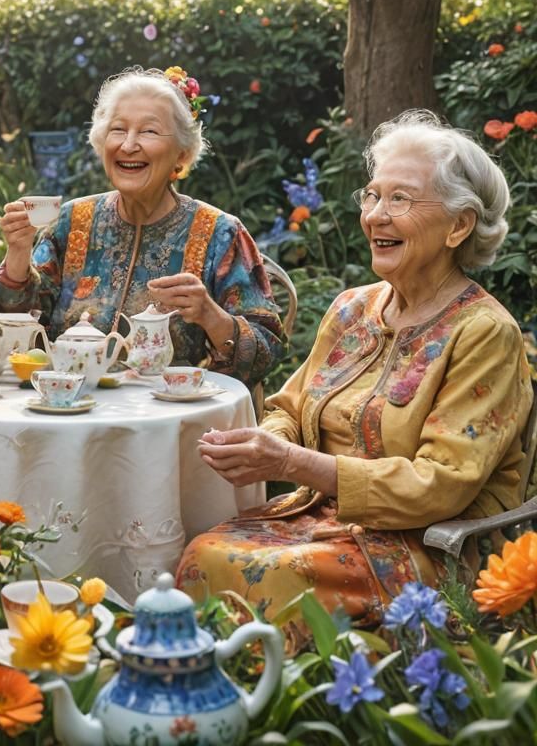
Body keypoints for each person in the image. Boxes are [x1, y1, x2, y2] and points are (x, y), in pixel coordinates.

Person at [177, 110, 534, 630]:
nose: (375, 215)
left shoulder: (483, 333)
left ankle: (291, 704)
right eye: (372, 195)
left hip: (432, 546)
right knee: (203, 550)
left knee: (263, 573)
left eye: (401, 199)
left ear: (459, 225)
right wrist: (264, 445)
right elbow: (290, 410)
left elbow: (439, 484)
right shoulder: (352, 308)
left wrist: (293, 464)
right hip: (323, 521)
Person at [0, 66, 283, 386]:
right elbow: (18, 328)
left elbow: (266, 352)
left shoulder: (220, 233)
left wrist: (210, 315)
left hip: (172, 423)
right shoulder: (70, 223)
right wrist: (18, 250)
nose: (128, 145)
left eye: (149, 132)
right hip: (69, 411)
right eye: (117, 130)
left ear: (182, 154)